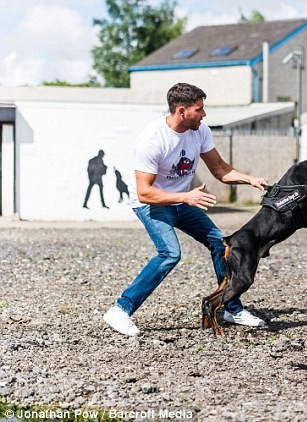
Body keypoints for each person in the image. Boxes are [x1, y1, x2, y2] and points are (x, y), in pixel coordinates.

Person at [103, 82, 269, 337]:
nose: (204, 114)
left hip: (184, 200)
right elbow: (145, 192)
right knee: (170, 253)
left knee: (222, 245)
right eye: (199, 109)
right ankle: (120, 310)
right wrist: (185, 197)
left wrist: (250, 179)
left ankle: (230, 308)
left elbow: (220, 169)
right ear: (182, 111)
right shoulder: (152, 139)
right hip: (152, 203)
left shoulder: (200, 131)